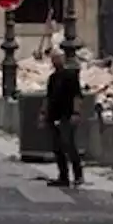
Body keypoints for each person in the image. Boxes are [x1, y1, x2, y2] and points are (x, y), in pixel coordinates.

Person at [41, 50, 84, 187]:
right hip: (54, 115)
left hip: (67, 114)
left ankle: (78, 175)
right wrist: (44, 113)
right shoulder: (52, 78)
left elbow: (77, 96)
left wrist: (76, 113)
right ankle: (63, 175)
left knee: (69, 144)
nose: (55, 61)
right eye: (53, 59)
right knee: (57, 147)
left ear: (63, 59)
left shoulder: (70, 76)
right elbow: (48, 97)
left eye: (57, 58)